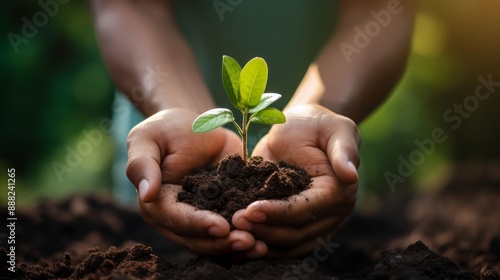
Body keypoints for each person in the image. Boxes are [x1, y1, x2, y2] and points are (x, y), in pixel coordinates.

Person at [91, 0, 415, 260]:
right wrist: (183, 114)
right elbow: (132, 5)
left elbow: (381, 8)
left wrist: (325, 108)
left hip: (319, 166)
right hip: (170, 165)